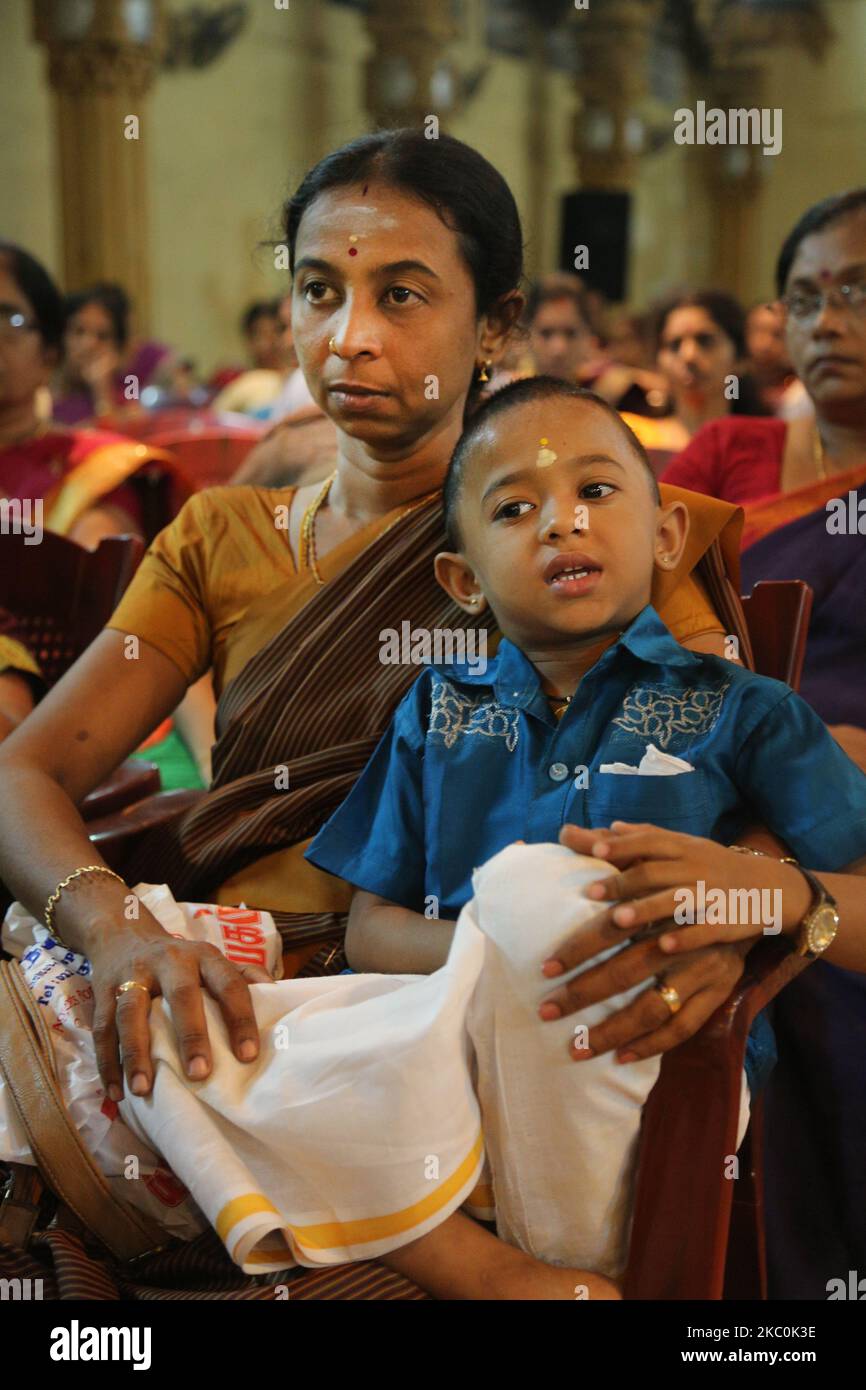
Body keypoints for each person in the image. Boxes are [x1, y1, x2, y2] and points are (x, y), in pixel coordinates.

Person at [0, 130, 772, 1298]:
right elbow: (23, 774)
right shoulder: (221, 536)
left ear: (496, 325)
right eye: (318, 290)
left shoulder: (590, 536)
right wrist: (119, 932)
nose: (347, 335)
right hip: (234, 1007)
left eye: (399, 294)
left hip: (475, 1015)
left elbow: (752, 777)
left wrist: (722, 920)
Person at [661, 187, 866, 1298]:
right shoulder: (731, 452)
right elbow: (625, 592)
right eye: (802, 298)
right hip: (715, 782)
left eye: (855, 292)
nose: (825, 320)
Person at [0, 242, 188, 741]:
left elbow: (100, 602)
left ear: (49, 355)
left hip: (65, 713)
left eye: (7, 317)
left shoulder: (96, 468)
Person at [627, 290, 769, 457]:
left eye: (705, 340)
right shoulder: (633, 437)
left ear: (739, 357)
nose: (689, 356)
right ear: (658, 362)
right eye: (674, 344)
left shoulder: (763, 444)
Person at [51, 282, 175, 426]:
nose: (89, 344)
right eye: (79, 331)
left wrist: (102, 393)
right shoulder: (43, 393)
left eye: (102, 336)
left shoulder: (129, 386)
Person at [744, 300, 810, 419]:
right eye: (759, 331)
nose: (766, 344)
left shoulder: (800, 391)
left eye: (778, 335)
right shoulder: (732, 379)